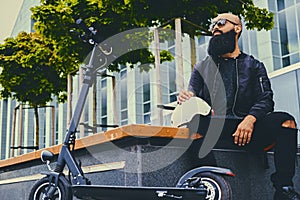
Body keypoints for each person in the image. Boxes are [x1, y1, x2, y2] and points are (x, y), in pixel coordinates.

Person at [178, 13, 300, 200]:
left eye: (221, 23)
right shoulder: (201, 67)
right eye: (212, 25)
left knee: (287, 121)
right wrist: (187, 99)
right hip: (214, 128)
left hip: (248, 129)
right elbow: (192, 95)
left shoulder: (254, 65)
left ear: (237, 28)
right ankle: (212, 184)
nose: (214, 28)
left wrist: (250, 119)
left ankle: (283, 188)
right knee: (193, 124)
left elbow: (266, 99)